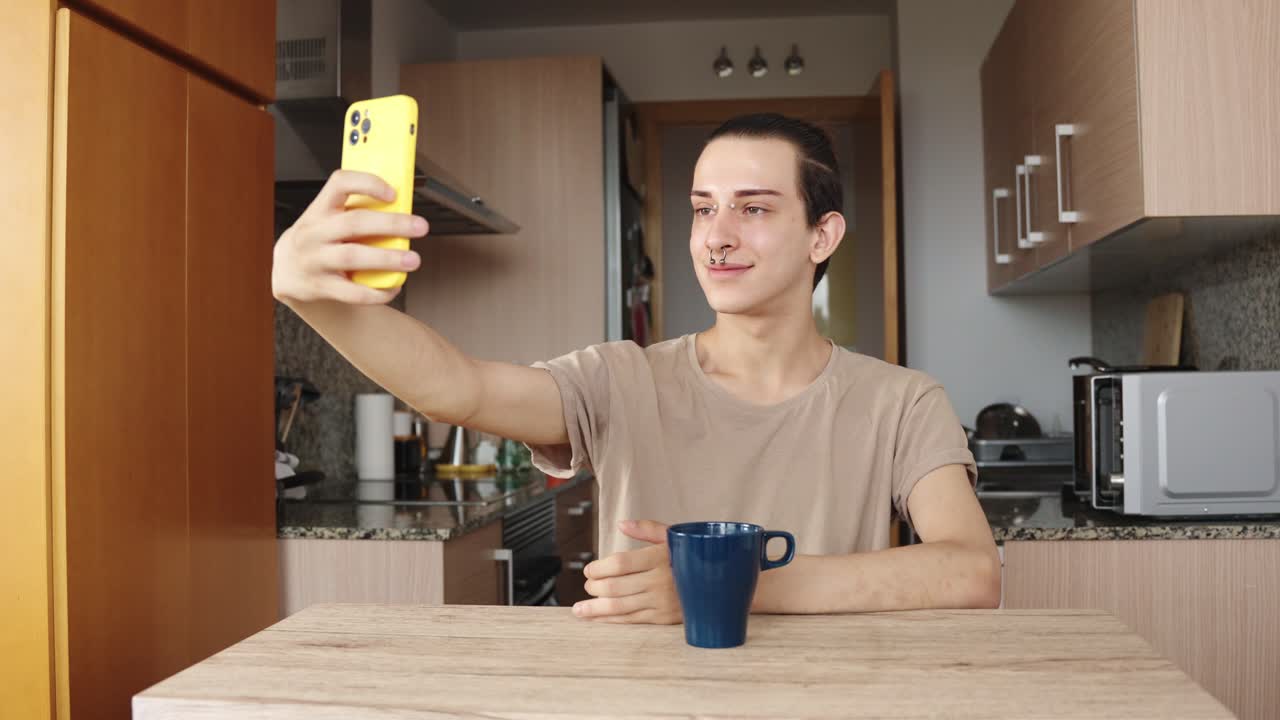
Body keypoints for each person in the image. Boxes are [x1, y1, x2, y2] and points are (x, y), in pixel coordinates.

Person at [272, 113, 1001, 624]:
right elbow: (454, 388)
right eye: (702, 209)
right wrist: (309, 296)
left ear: (822, 234)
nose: (716, 237)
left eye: (753, 209)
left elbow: (972, 572)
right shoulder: (619, 379)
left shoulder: (902, 402)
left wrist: (729, 585)